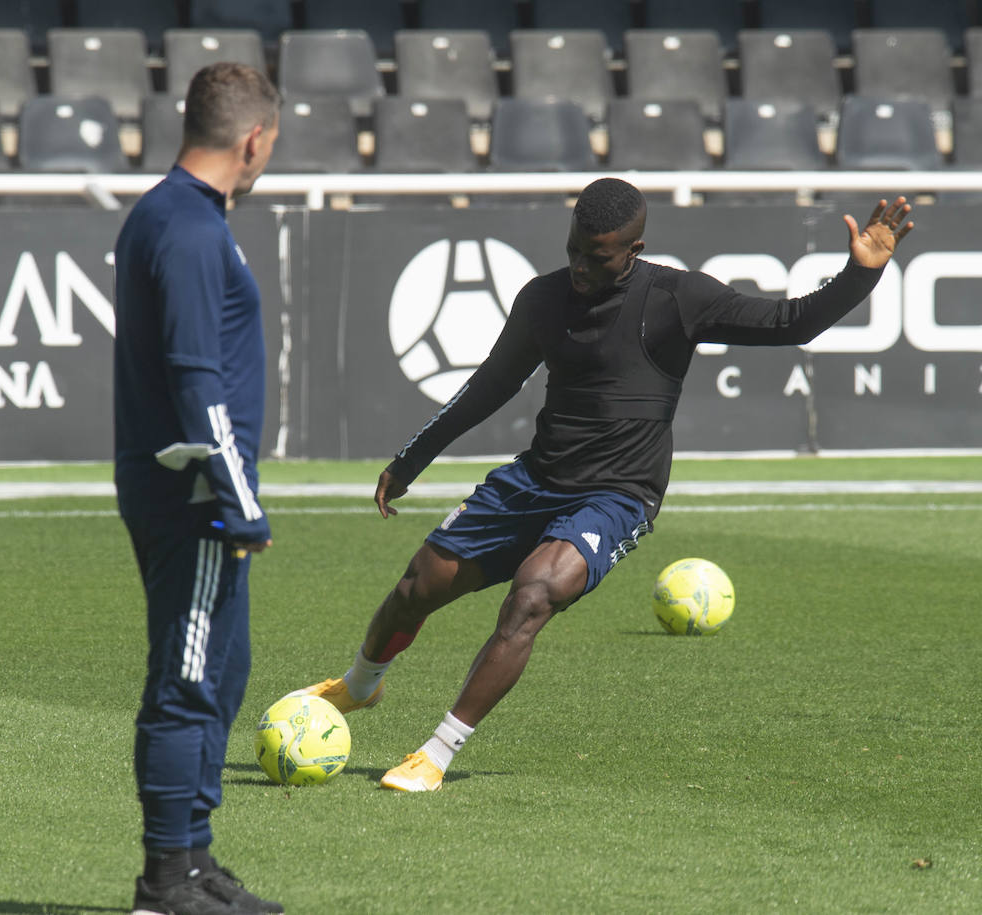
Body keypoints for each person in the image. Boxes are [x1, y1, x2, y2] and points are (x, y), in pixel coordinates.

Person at [290, 178, 915, 792]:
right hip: (536, 477)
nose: (581, 268)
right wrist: (411, 459)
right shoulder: (543, 299)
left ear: (634, 251)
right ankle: (361, 685)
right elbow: (490, 386)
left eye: (598, 257)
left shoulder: (676, 298)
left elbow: (792, 322)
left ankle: (436, 752)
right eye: (573, 251)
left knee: (532, 596)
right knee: (416, 587)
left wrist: (860, 273)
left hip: (618, 494)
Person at [113, 62, 283, 914]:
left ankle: (197, 858)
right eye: (270, 147)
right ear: (253, 138)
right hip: (193, 497)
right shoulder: (185, 227)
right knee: (187, 679)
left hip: (195, 492)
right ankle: (164, 879)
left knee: (222, 669)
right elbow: (194, 377)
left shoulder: (181, 216)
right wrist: (236, 494)